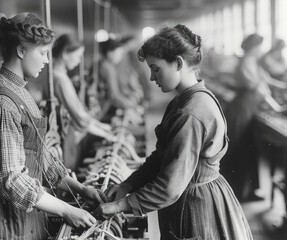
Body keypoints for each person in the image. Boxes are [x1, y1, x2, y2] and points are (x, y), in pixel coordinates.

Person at [94, 25, 253, 240]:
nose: (151, 77)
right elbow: (161, 157)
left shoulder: (191, 112)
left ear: (178, 63)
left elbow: (169, 187)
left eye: (156, 68)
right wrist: (127, 185)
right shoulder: (185, 100)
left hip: (197, 206)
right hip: (191, 196)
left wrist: (120, 206)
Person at [0, 13, 107, 240]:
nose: (47, 60)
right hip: (0, 225)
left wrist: (80, 189)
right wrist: (66, 209)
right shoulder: (2, 103)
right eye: (42, 53)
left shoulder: (19, 92)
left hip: (20, 219)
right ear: (21, 51)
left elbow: (40, 157)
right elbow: (11, 180)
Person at [221, 34, 284, 201]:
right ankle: (240, 193)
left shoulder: (251, 62)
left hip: (248, 107)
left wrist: (283, 86)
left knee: (248, 149)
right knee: (242, 149)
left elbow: (265, 80)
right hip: (243, 108)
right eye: (259, 47)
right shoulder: (247, 62)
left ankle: (246, 191)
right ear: (253, 47)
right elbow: (257, 87)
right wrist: (275, 106)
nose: (261, 50)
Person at [52, 34, 117, 169]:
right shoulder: (60, 79)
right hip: (65, 138)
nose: (79, 61)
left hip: (68, 134)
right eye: (77, 56)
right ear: (65, 53)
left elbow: (80, 112)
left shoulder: (60, 75)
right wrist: (105, 133)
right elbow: (80, 117)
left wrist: (101, 126)